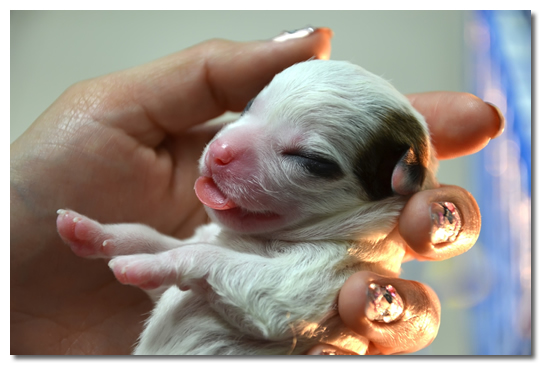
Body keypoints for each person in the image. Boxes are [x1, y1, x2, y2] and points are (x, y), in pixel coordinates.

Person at [10, 27, 504, 355]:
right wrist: (118, 242)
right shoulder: (266, 235)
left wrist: (187, 262)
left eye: (305, 159)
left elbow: (272, 308)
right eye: (251, 109)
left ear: (394, 190)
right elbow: (189, 270)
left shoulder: (343, 271)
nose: (225, 149)